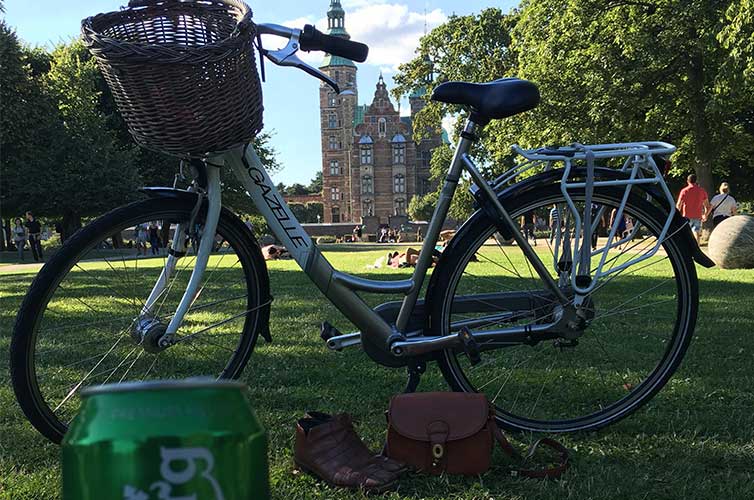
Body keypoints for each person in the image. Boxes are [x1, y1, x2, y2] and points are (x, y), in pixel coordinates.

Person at [676, 174, 710, 245]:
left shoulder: (684, 191)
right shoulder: (702, 191)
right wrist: (705, 215)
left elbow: (679, 204)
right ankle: (697, 247)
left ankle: (686, 247)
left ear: (688, 181)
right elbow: (707, 205)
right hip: (698, 215)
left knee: (686, 232)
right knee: (696, 231)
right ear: (696, 181)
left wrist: (677, 215)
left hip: (686, 215)